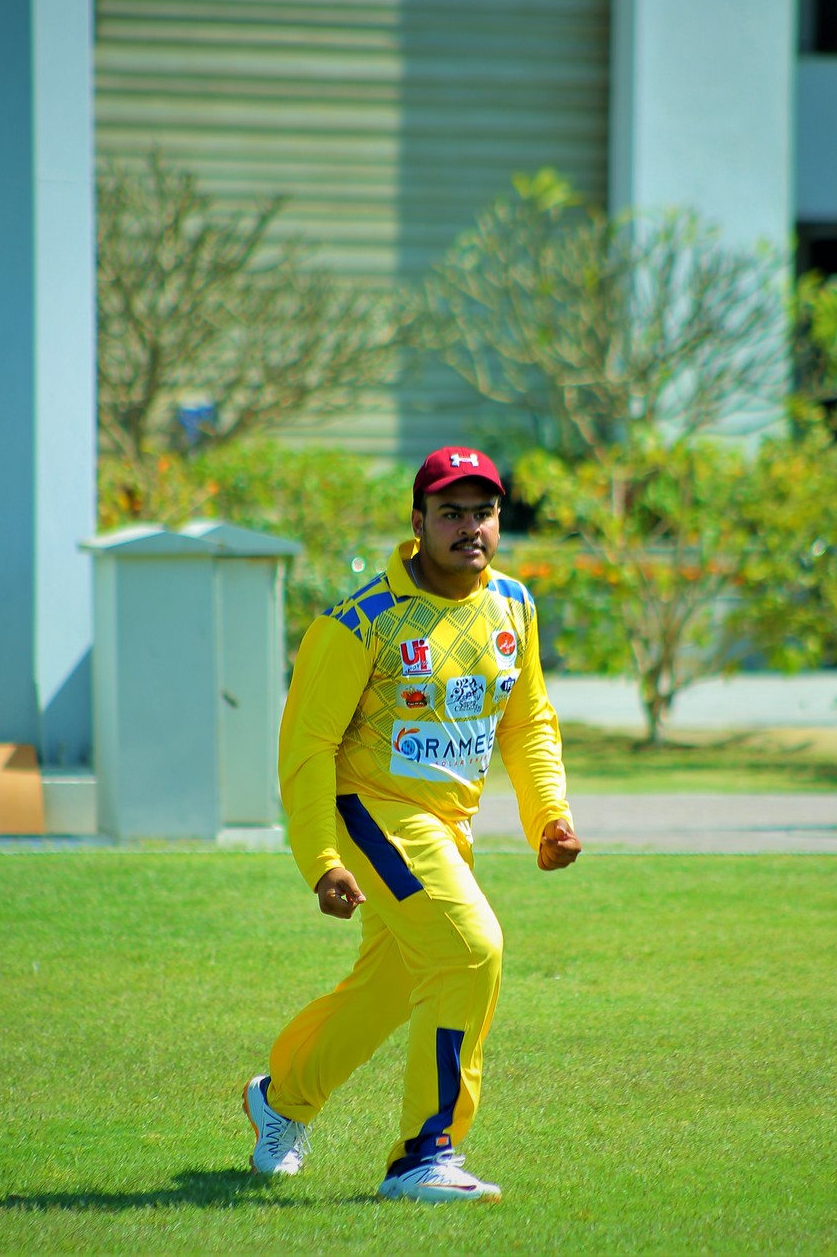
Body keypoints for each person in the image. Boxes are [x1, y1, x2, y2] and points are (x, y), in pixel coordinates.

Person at [243, 445, 582, 1203]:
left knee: (391, 987)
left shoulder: (514, 607)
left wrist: (548, 815)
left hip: (447, 826)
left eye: (484, 512)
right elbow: (307, 749)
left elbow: (527, 721)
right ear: (418, 522)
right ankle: (425, 1155)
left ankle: (282, 1100)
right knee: (469, 950)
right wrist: (321, 859)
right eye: (451, 513)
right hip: (371, 812)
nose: (470, 527)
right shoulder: (359, 622)